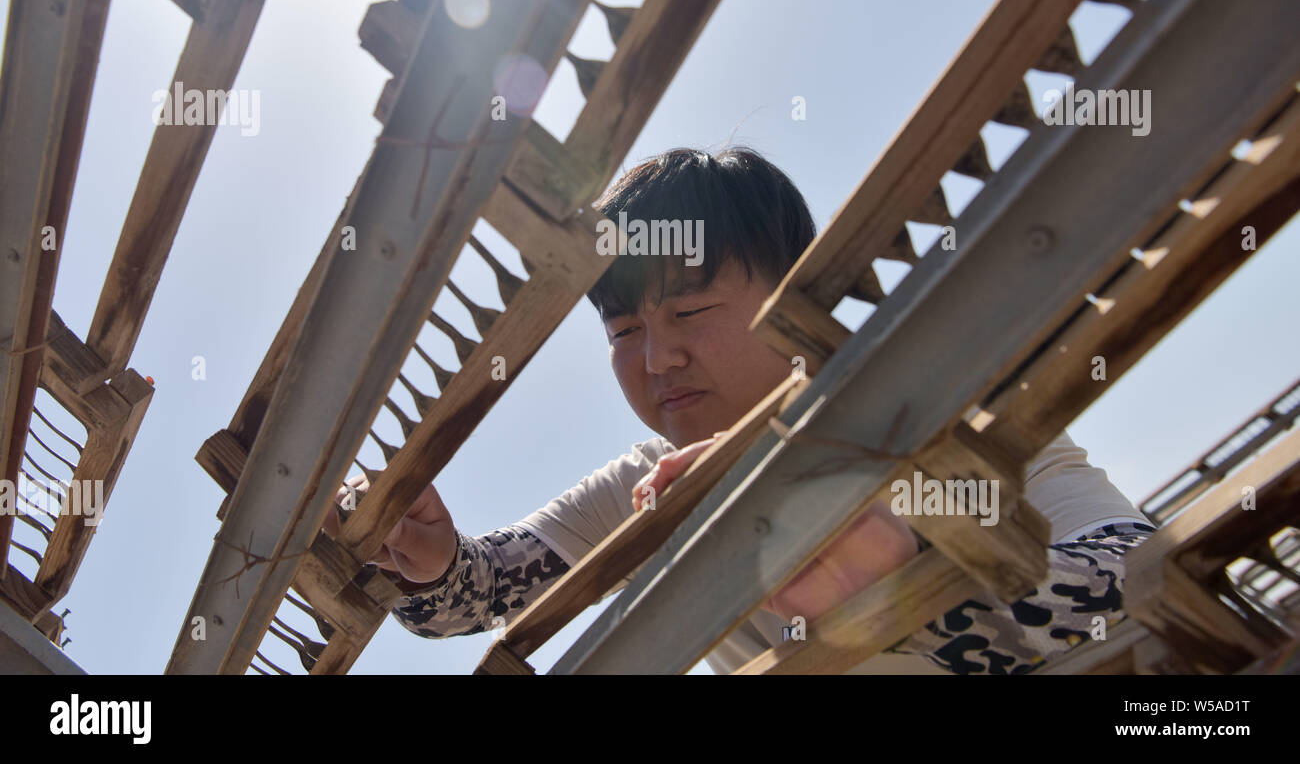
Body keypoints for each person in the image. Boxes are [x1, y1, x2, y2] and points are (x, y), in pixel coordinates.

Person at [332, 147, 1154, 673]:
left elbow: (1135, 575)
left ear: (798, 293)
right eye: (625, 330)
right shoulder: (645, 487)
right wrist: (430, 555)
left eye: (689, 313)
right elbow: (482, 594)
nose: (658, 359)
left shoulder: (948, 397)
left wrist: (898, 567)